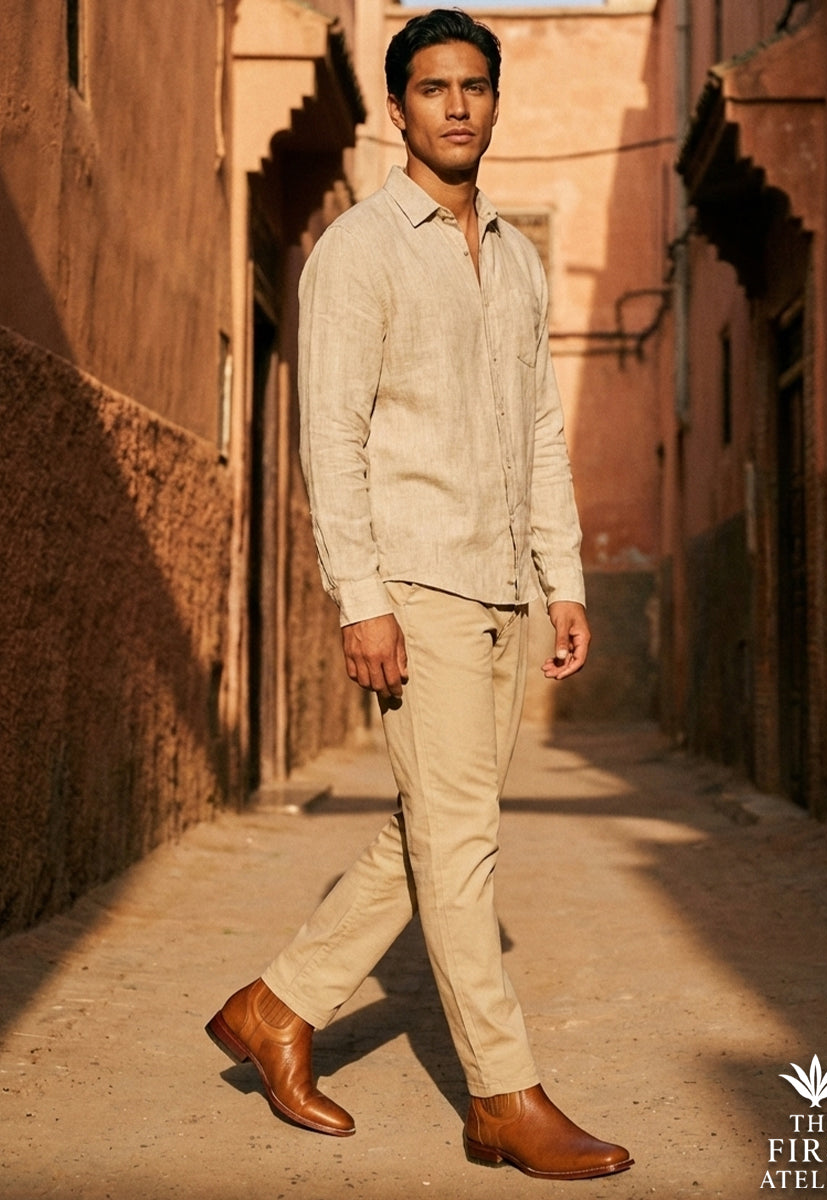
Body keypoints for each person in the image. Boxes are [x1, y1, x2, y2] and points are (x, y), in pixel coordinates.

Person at [205, 9, 633, 1181]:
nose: (456, 105)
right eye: (433, 87)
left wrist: (562, 576)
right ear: (397, 109)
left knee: (439, 826)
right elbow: (331, 438)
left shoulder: (519, 258)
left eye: (474, 86)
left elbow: (539, 429)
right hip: (416, 580)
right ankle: (502, 1095)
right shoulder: (358, 251)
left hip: (501, 583)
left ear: (494, 103)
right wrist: (361, 598)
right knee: (461, 843)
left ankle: (276, 1009)